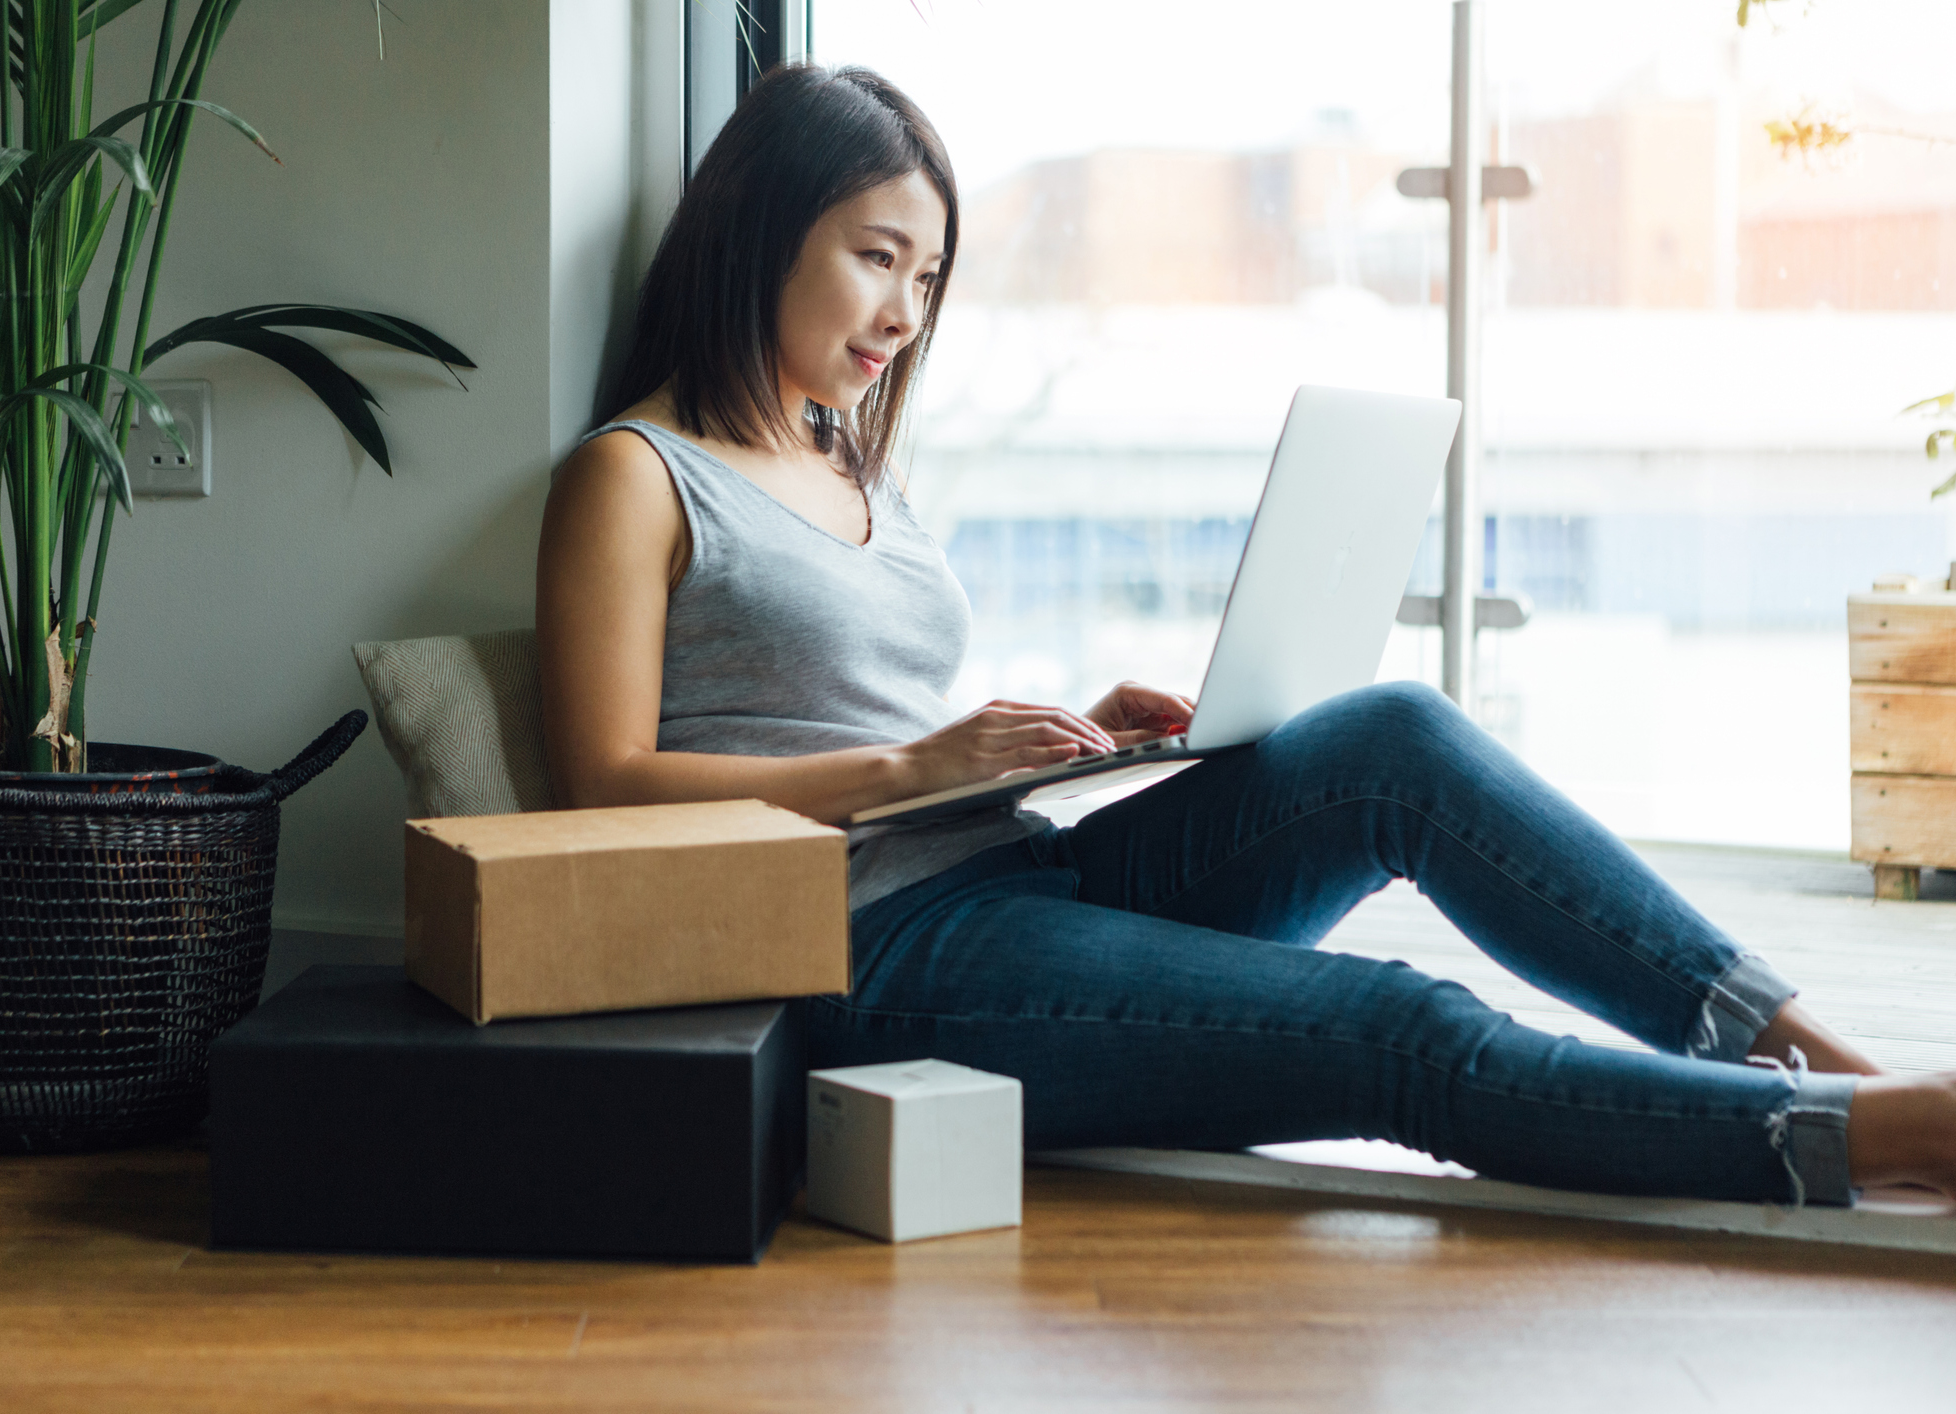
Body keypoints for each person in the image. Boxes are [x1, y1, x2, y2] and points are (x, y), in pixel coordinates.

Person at [536, 62, 1956, 1205]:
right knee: (1397, 1024)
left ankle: (1828, 1064)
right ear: (757, 231)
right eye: (876, 259)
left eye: (928, 277)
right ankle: (1862, 1136)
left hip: (1016, 870)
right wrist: (909, 769)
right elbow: (599, 786)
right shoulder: (634, 473)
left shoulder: (843, 454)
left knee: (1389, 737)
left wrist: (1053, 739)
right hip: (868, 956)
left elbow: (852, 706)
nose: (904, 313)